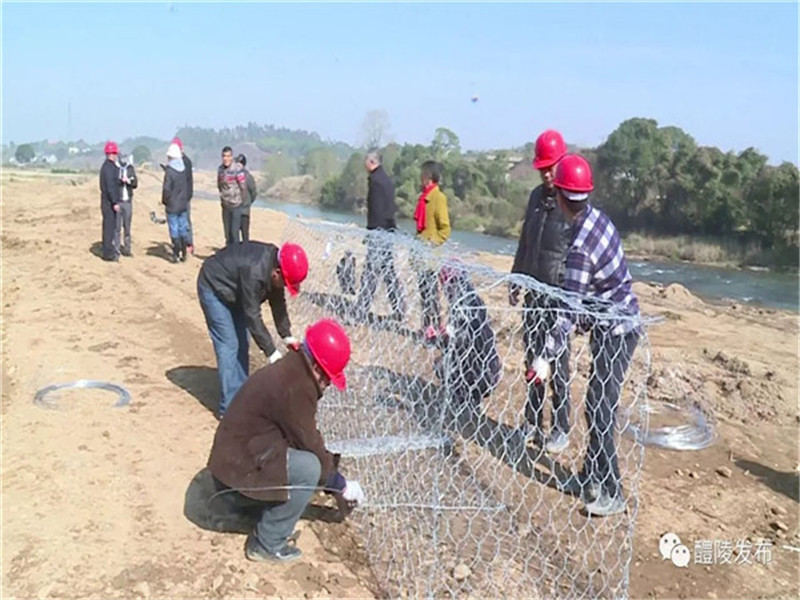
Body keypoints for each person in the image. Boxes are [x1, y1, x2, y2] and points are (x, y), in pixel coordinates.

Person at [526, 154, 640, 517]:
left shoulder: (578, 251)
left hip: (617, 332)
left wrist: (544, 358)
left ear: (560, 196)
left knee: (599, 409)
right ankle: (590, 476)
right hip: (616, 322)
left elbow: (568, 313)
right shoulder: (597, 220)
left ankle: (613, 490)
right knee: (597, 403)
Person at [207, 319, 364, 562]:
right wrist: (341, 486)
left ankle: (249, 509)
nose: (330, 384)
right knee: (309, 468)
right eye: (330, 378)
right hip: (232, 480)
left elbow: (302, 436)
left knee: (303, 461)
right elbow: (311, 446)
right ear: (317, 368)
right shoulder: (297, 387)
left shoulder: (292, 369)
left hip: (231, 468)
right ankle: (267, 544)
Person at [509, 129, 572, 453]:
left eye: (552, 167)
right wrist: (516, 277)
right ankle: (533, 422)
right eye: (543, 168)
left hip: (558, 297)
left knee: (557, 364)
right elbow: (525, 241)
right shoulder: (536, 198)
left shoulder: (570, 202)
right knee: (532, 362)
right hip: (534, 293)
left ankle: (561, 427)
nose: (547, 174)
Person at [197, 241, 309, 418]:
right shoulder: (255, 272)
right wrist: (272, 353)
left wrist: (287, 336)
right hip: (214, 287)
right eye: (286, 283)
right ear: (277, 273)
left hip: (236, 291)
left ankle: (240, 396)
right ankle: (229, 411)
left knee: (243, 342)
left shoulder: (274, 267)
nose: (286, 288)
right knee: (229, 344)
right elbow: (252, 316)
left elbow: (278, 303)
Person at [432, 262, 500, 411]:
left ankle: (465, 396)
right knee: (446, 361)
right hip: (489, 370)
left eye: (447, 283)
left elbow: (462, 343)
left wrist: (444, 336)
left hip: (482, 373)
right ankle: (466, 396)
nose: (445, 289)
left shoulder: (465, 304)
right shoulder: (470, 300)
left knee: (441, 364)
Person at [352, 151, 405, 321]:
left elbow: (375, 210)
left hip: (379, 233)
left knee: (370, 273)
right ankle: (399, 308)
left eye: (365, 160)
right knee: (388, 272)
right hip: (388, 231)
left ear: (372, 161)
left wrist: (371, 232)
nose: (364, 163)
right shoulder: (387, 179)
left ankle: (360, 311)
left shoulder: (375, 181)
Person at [413, 160, 451, 333]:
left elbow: (445, 229)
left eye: (422, 174)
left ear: (428, 177)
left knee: (431, 295)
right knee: (423, 293)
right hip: (421, 256)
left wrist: (431, 244)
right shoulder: (423, 197)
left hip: (431, 258)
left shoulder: (438, 198)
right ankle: (426, 326)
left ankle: (434, 328)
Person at [162, 143, 191, 263]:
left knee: (174, 229)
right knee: (183, 228)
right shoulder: (183, 168)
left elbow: (167, 189)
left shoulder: (170, 171)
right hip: (183, 204)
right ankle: (184, 253)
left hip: (172, 205)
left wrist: (165, 200)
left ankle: (175, 254)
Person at [217, 146, 247, 245]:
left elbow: (243, 187)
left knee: (235, 234)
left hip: (236, 205)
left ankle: (236, 256)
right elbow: (219, 185)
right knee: (227, 234)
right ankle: (228, 255)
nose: (226, 159)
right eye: (224, 156)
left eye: (228, 156)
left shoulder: (237, 169)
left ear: (232, 157)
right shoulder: (220, 169)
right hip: (225, 205)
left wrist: (241, 202)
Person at [99, 141, 122, 261]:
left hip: (106, 201)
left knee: (109, 227)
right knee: (109, 228)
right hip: (109, 203)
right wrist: (115, 202)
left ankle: (108, 251)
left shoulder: (106, 166)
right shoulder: (109, 168)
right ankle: (108, 253)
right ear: (112, 154)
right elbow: (110, 186)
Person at [172, 137, 195, 255]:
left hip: (184, 197)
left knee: (186, 221)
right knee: (176, 221)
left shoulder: (186, 162)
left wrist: (188, 196)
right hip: (175, 199)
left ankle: (188, 244)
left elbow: (188, 181)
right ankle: (179, 244)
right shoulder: (173, 162)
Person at [116, 152, 138, 257]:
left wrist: (128, 181)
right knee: (117, 227)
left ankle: (127, 248)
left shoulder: (130, 169)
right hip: (118, 201)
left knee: (127, 226)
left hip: (128, 201)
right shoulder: (116, 169)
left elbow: (135, 184)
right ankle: (116, 248)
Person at [235, 154, 257, 242]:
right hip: (237, 208)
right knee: (236, 233)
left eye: (239, 163)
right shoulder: (233, 175)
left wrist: (247, 203)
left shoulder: (248, 177)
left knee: (244, 234)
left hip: (243, 210)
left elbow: (253, 193)